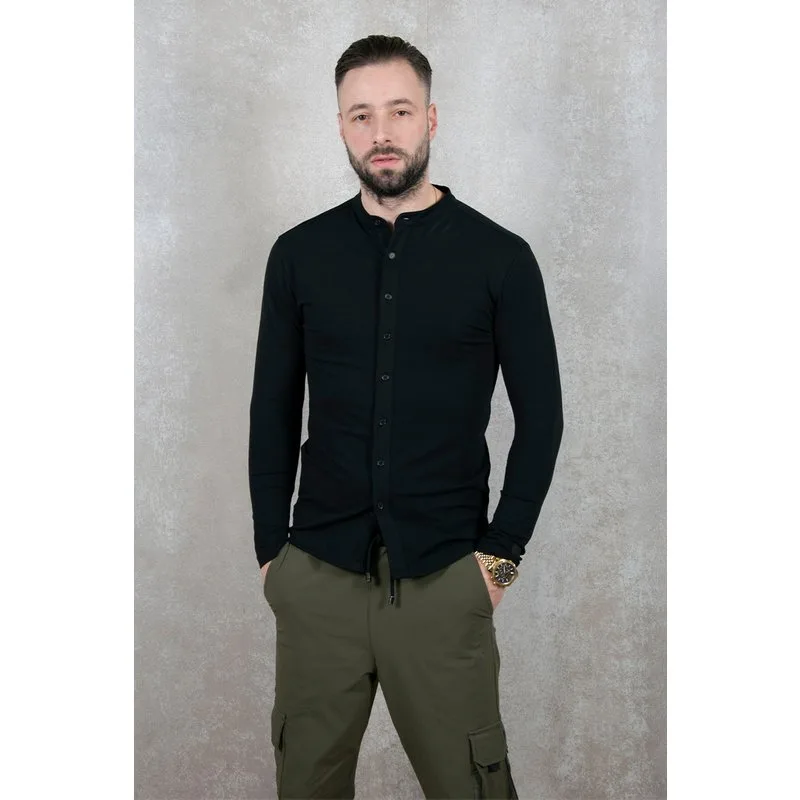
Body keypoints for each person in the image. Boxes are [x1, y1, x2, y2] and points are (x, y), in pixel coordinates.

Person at [248, 34, 563, 799]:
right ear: (341, 127)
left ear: (430, 118)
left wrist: (499, 560)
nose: (380, 131)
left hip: (445, 580)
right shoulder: (299, 255)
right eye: (361, 115)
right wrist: (272, 557)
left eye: (398, 110)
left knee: (472, 787)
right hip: (316, 578)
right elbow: (272, 411)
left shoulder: (500, 258)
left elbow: (543, 419)